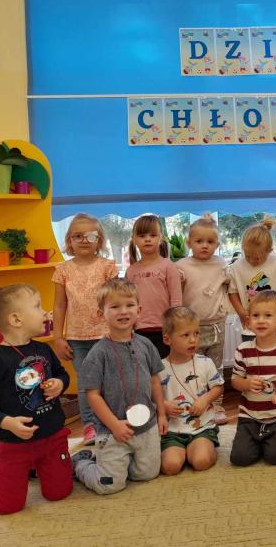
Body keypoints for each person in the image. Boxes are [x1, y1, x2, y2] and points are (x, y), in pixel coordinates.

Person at [0, 285, 71, 514]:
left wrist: (59, 383)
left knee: (59, 493)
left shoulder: (44, 349)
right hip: (16, 446)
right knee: (9, 506)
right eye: (37, 306)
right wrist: (6, 422)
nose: (44, 311)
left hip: (52, 437)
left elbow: (61, 374)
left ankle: (35, 469)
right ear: (16, 319)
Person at [71, 279, 168, 495]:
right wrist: (114, 425)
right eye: (115, 306)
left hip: (146, 427)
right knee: (109, 484)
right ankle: (81, 462)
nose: (123, 311)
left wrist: (162, 414)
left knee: (147, 474)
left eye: (129, 305)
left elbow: (155, 380)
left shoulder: (146, 344)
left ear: (139, 310)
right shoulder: (98, 353)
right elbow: (92, 395)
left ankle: (115, 462)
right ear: (101, 314)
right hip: (111, 431)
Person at [51, 212, 118, 445]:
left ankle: (111, 420)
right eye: (77, 236)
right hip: (77, 338)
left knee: (110, 380)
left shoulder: (107, 267)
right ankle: (90, 425)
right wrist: (58, 337)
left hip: (107, 335)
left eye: (90, 236)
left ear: (99, 240)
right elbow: (59, 305)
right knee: (86, 383)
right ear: (69, 240)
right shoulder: (63, 270)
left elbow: (116, 299)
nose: (83, 240)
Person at [229, 290, 276, 466]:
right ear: (248, 321)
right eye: (255, 315)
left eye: (268, 315)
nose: (261, 320)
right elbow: (235, 380)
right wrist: (246, 383)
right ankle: (260, 440)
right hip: (250, 415)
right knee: (240, 458)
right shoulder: (243, 350)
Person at [175, 213, 230, 425]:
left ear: (217, 244)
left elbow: (231, 286)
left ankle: (216, 405)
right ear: (189, 242)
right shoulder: (181, 266)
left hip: (217, 325)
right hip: (191, 329)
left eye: (210, 241)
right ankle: (193, 403)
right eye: (199, 241)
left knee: (215, 367)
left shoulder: (221, 264)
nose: (204, 245)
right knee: (192, 367)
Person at [159, 306, 224, 474]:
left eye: (196, 333)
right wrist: (163, 406)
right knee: (170, 467)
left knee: (201, 461)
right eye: (185, 335)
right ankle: (184, 451)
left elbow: (218, 387)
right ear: (167, 339)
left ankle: (203, 448)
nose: (193, 340)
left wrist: (205, 399)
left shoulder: (205, 362)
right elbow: (152, 396)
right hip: (172, 430)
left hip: (202, 427)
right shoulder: (159, 369)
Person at [125, 214, 182, 359]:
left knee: (164, 369)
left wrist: (174, 326)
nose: (147, 239)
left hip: (165, 329)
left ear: (160, 238)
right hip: (139, 330)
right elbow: (128, 301)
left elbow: (176, 300)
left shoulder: (169, 266)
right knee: (144, 368)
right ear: (134, 239)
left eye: (153, 235)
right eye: (142, 235)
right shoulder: (131, 271)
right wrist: (129, 326)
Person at [227, 217, 276, 338]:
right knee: (249, 349)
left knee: (275, 349)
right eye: (247, 256)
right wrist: (241, 312)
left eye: (257, 258)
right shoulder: (236, 267)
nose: (252, 261)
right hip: (250, 325)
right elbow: (232, 292)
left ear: (269, 251)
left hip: (273, 322)